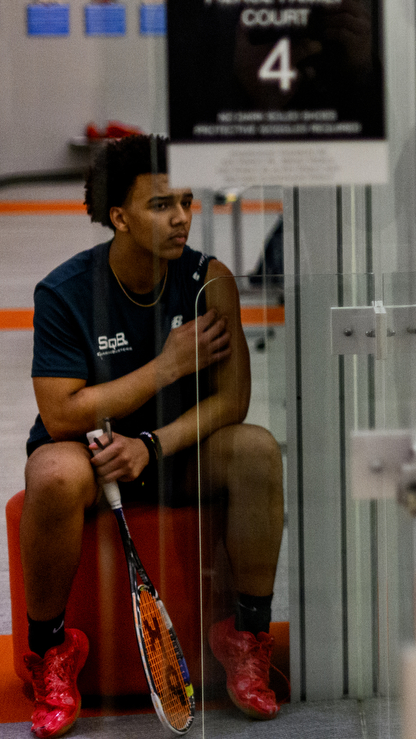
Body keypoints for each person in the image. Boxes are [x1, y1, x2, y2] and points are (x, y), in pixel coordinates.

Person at [24, 135, 285, 737]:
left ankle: (245, 635)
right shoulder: (64, 293)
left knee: (256, 449)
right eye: (162, 205)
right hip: (90, 454)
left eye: (187, 202)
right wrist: (165, 368)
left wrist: (154, 444)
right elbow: (62, 414)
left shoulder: (206, 281)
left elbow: (232, 401)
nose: (182, 218)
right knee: (54, 473)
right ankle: (51, 651)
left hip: (176, 450)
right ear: (119, 217)